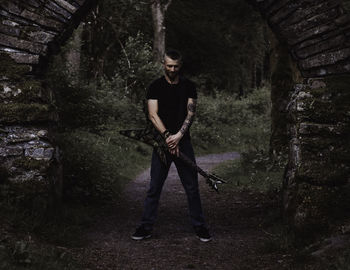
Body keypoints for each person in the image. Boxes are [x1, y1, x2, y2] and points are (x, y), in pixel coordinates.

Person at [131, 49, 211, 242]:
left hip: (183, 143)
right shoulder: (155, 87)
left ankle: (200, 227)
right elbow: (152, 114)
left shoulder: (189, 86)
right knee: (154, 187)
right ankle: (145, 227)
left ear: (180, 66)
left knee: (192, 187)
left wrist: (178, 137)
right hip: (162, 145)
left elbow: (190, 114)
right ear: (163, 64)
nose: (172, 69)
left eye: (175, 66)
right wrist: (168, 137)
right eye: (169, 66)